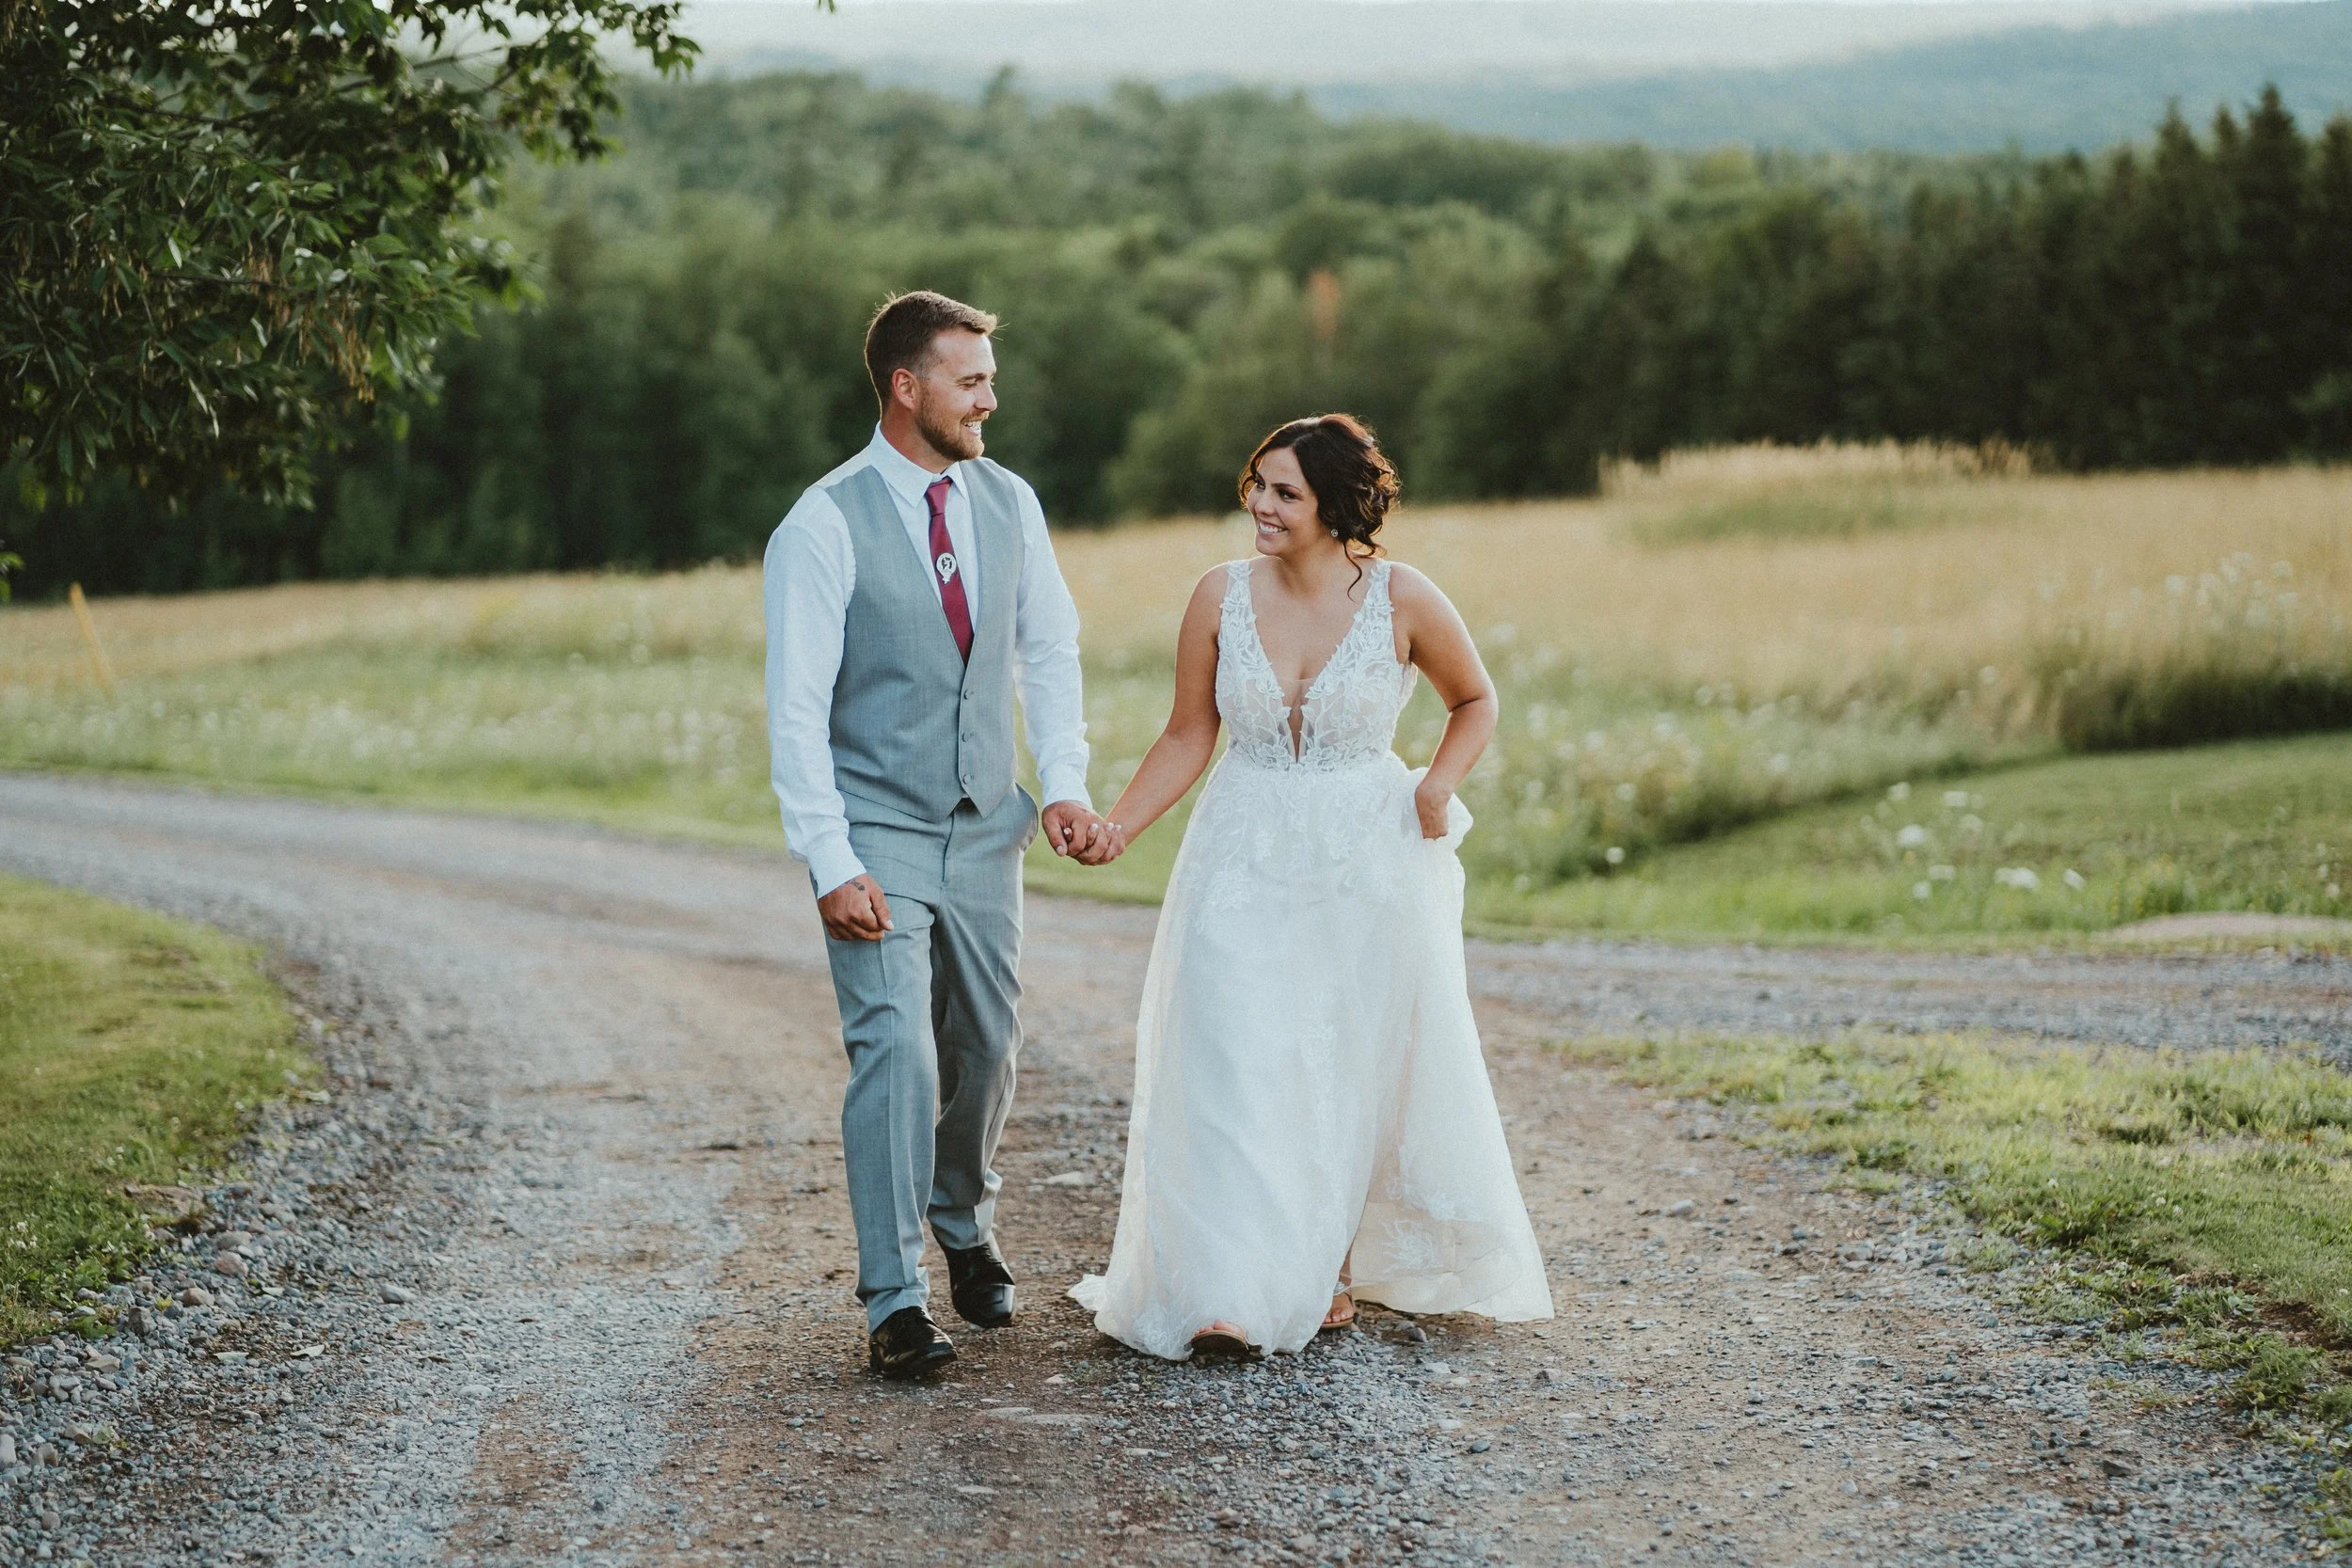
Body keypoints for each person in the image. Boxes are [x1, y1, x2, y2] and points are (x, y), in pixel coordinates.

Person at [1068, 414, 1553, 1359]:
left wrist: (1437, 782)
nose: (1260, 504)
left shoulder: (1403, 597)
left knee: (1335, 1060)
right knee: (1233, 1051)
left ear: (1337, 505)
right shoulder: (1216, 596)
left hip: (1361, 857)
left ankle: (1324, 1268)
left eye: (1285, 492)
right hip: (1239, 849)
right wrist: (1119, 826)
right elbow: (1185, 734)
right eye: (1257, 483)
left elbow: (1475, 699)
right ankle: (1225, 1294)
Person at [763, 291, 1112, 1379]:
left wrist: (1061, 782)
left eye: (989, 378)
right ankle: (893, 1299)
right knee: (898, 1051)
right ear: (907, 388)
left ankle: (961, 1219)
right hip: (875, 829)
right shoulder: (822, 522)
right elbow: (794, 708)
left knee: (988, 1047)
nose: (989, 398)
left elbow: (1046, 651)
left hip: (985, 825)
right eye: (971, 380)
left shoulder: (1010, 500)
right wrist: (830, 858)